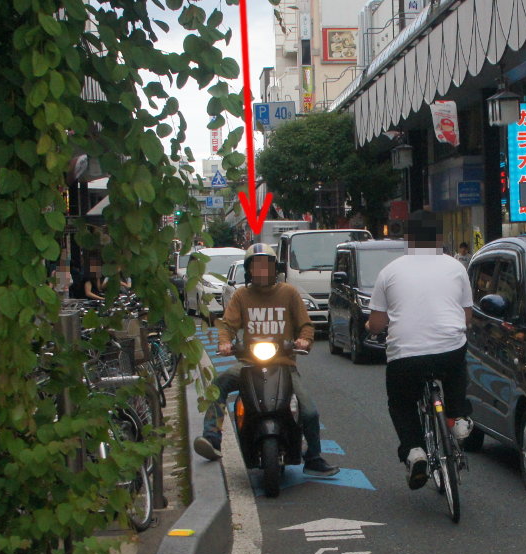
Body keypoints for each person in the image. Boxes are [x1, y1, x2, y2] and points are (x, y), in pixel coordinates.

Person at [191, 243, 340, 476]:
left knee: (309, 411)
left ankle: (313, 457)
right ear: (249, 270)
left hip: (284, 364)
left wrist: (304, 341)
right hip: (249, 364)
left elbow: (306, 325)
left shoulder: (288, 293)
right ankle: (212, 437)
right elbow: (228, 325)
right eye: (256, 266)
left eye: (266, 266)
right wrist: (225, 342)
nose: (262, 271)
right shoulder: (241, 295)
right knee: (218, 385)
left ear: (274, 269)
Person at [366, 210, 474, 489]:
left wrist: (371, 327)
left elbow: (377, 324)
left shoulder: (389, 271)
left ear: (407, 238)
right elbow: (466, 318)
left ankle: (415, 451)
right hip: (449, 350)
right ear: (439, 237)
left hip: (406, 356)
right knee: (457, 362)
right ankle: (458, 417)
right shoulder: (456, 267)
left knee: (401, 402)